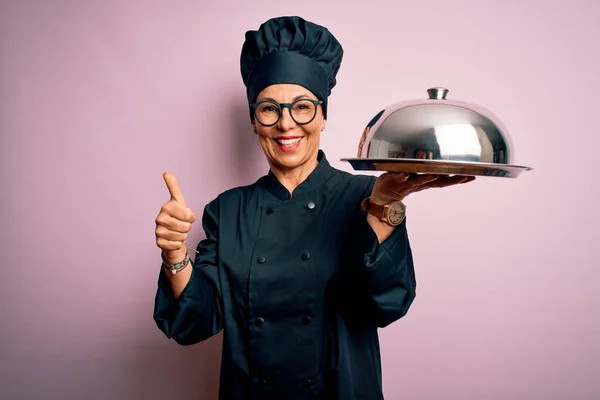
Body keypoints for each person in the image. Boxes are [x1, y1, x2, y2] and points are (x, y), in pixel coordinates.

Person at [153, 16, 474, 400]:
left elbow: (388, 304)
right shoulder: (227, 210)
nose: (286, 124)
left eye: (302, 106)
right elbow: (196, 322)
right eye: (269, 109)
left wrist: (383, 205)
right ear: (255, 122)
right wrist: (175, 255)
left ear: (323, 115)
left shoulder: (367, 195)